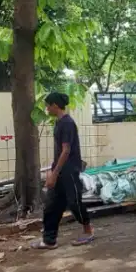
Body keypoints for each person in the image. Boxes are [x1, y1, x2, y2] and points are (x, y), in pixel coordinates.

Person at [33, 92, 94, 249]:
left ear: (55, 105)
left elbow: (66, 151)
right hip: (59, 169)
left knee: (74, 202)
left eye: (47, 105)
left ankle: (88, 231)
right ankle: (49, 240)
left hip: (69, 170)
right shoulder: (59, 123)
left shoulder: (67, 123)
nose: (46, 108)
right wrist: (53, 170)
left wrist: (54, 174)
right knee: (52, 205)